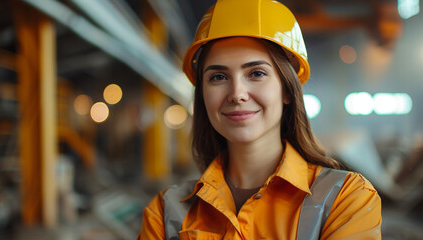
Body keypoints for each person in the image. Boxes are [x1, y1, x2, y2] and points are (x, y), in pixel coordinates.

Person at [137, 0, 382, 239]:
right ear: (202, 95)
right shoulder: (165, 212)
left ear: (287, 90)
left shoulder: (347, 199)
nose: (236, 94)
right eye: (218, 77)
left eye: (256, 73)